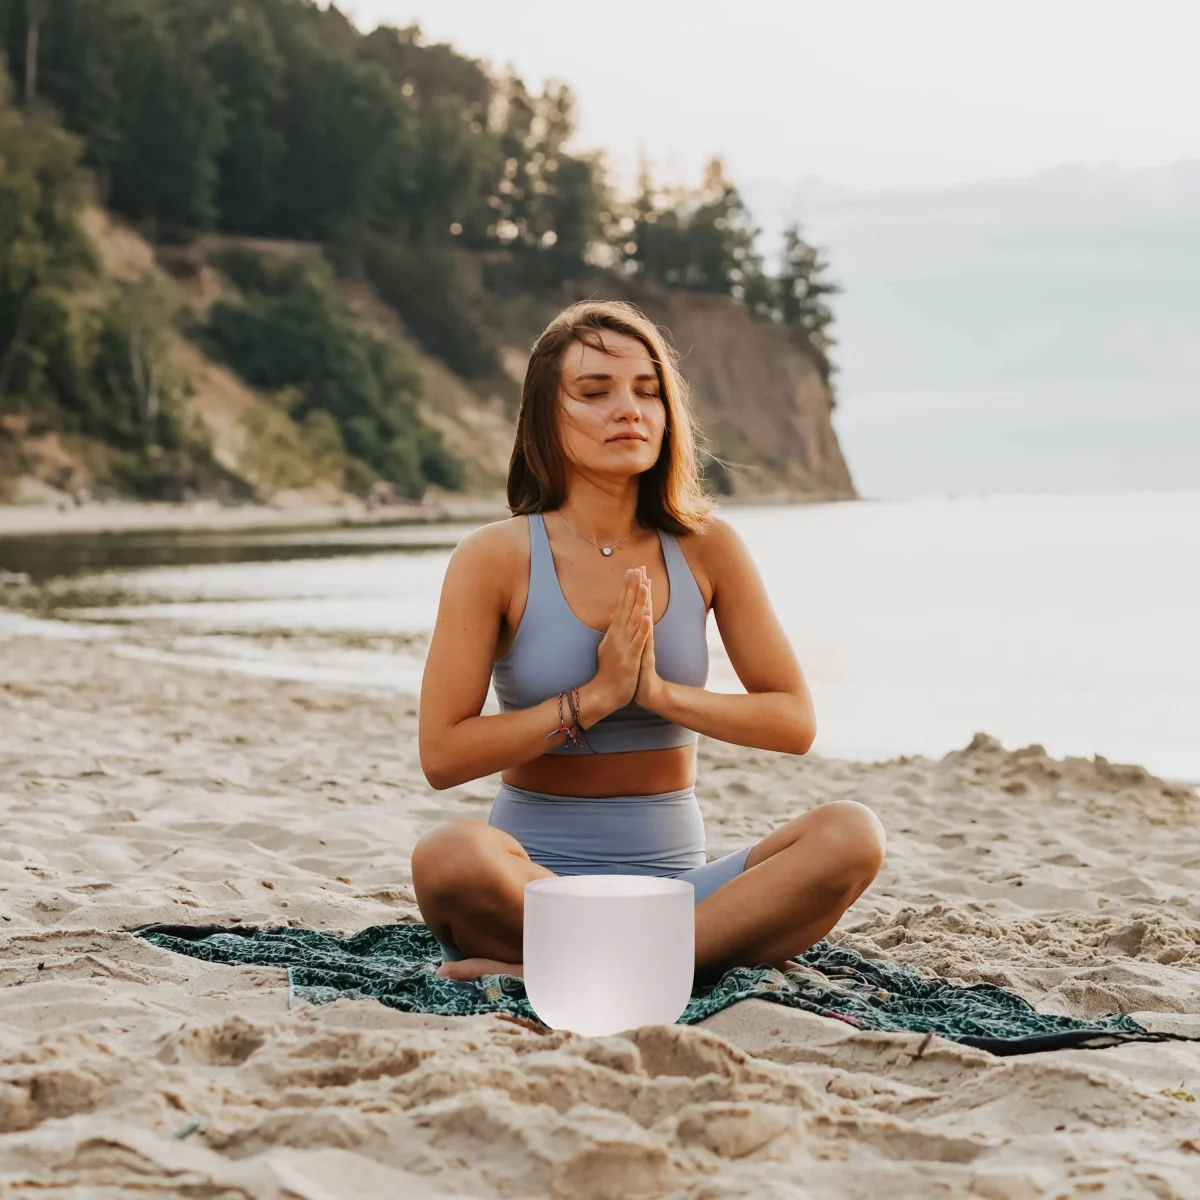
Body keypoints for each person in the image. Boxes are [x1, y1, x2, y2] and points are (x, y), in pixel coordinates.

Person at [413, 300, 886, 984]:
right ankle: (662, 962)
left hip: (677, 894)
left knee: (852, 834)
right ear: (546, 415)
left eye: (648, 390)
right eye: (595, 392)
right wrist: (592, 701)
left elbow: (792, 720)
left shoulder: (708, 546)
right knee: (449, 855)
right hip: (534, 890)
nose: (629, 409)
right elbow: (443, 753)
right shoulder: (494, 557)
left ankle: (590, 967)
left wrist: (661, 695)